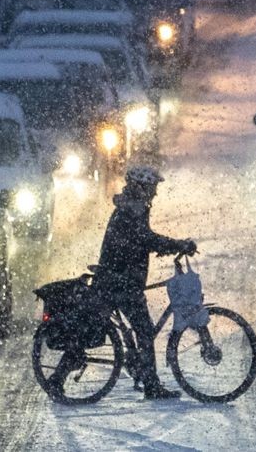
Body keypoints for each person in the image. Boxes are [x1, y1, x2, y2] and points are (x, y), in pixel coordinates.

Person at [93, 165, 196, 400]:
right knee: (145, 332)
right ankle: (152, 386)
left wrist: (161, 246)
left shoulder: (131, 207)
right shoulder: (131, 209)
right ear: (141, 187)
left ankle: (144, 373)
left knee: (139, 330)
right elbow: (145, 239)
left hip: (120, 278)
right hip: (121, 282)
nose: (155, 193)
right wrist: (177, 245)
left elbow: (141, 240)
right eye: (153, 187)